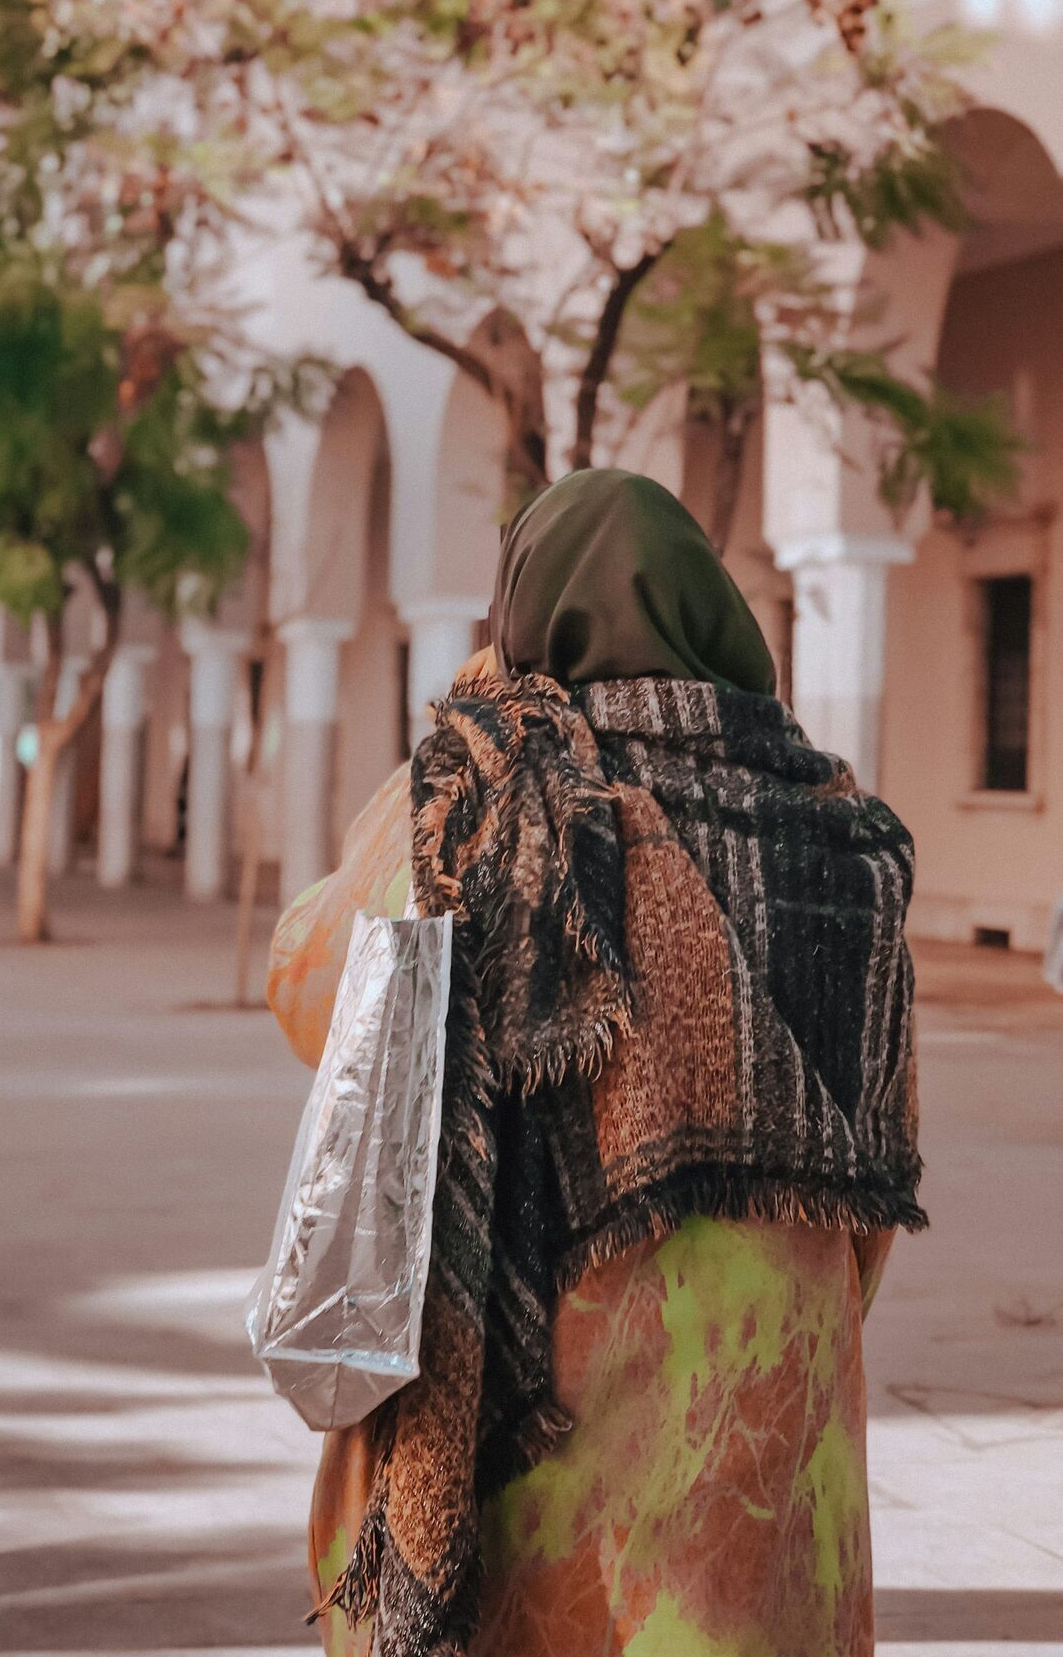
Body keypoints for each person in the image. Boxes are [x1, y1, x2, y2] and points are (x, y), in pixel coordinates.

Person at [266, 468, 924, 1657]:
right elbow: (874, 1164)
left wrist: (464, 726)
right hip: (779, 1371)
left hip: (559, 1373)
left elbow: (308, 978)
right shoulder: (839, 822)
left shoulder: (483, 792)